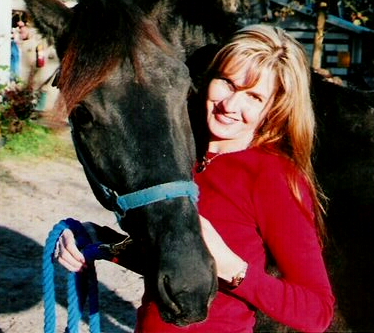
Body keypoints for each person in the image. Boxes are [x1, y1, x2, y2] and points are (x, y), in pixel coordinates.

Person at [56, 24, 335, 333]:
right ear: (209, 78)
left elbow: (317, 312)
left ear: (275, 107)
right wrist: (102, 243)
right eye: (227, 83)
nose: (231, 105)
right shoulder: (185, 158)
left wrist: (233, 268)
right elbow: (177, 268)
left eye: (254, 97)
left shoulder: (272, 176)